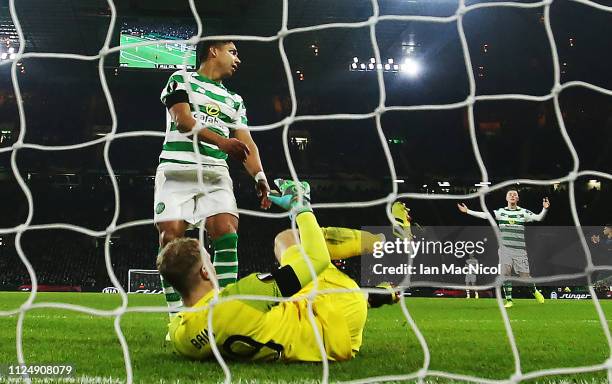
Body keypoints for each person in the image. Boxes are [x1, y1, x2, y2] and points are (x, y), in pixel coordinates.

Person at [157, 179, 397, 362]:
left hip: (329, 344)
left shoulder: (180, 335)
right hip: (340, 312)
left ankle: (372, 295)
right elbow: (318, 258)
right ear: (206, 273)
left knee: (291, 299)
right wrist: (301, 208)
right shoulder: (243, 296)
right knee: (288, 238)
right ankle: (384, 239)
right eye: (209, 260)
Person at [155, 40, 271, 316]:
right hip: (176, 169)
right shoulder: (180, 78)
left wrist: (260, 177)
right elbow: (182, 119)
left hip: (215, 172)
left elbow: (247, 144)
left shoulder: (234, 100)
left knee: (226, 232)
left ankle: (222, 315)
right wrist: (222, 142)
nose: (237, 59)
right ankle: (177, 319)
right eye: (233, 51)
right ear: (213, 51)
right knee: (170, 238)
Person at [457, 190, 550, 308]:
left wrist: (545, 209)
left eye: (514, 194)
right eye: (510, 194)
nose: (512, 196)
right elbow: (486, 215)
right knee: (505, 274)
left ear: (517, 198)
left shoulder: (523, 212)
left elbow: (538, 218)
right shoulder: (501, 212)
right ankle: (509, 300)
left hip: (520, 250)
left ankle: (535, 291)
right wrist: (468, 211)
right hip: (505, 249)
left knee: (525, 277)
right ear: (506, 198)